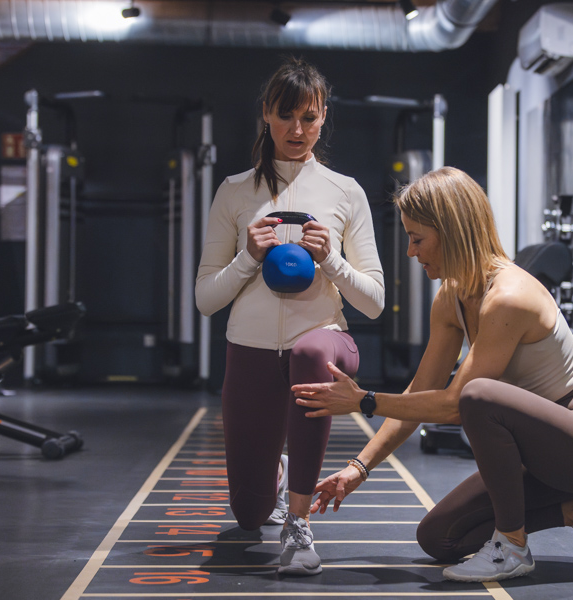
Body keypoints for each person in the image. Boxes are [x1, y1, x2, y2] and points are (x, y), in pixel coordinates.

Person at [292, 166, 573, 582]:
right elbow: (421, 394)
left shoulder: (508, 297)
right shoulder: (452, 299)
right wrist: (357, 469)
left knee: (478, 397)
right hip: (543, 451)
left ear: (451, 232)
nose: (410, 252)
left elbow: (457, 405)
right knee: (440, 538)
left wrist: (365, 400)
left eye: (417, 239)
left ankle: (512, 546)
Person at [195, 57, 384, 577]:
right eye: (286, 117)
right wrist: (248, 258)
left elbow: (373, 301)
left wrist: (331, 260)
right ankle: (273, 484)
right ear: (266, 116)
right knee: (248, 513)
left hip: (325, 342)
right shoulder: (235, 192)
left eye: (309, 117)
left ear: (323, 117)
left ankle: (299, 525)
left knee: (308, 351)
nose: (297, 130)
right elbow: (206, 299)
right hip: (250, 350)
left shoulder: (346, 192)